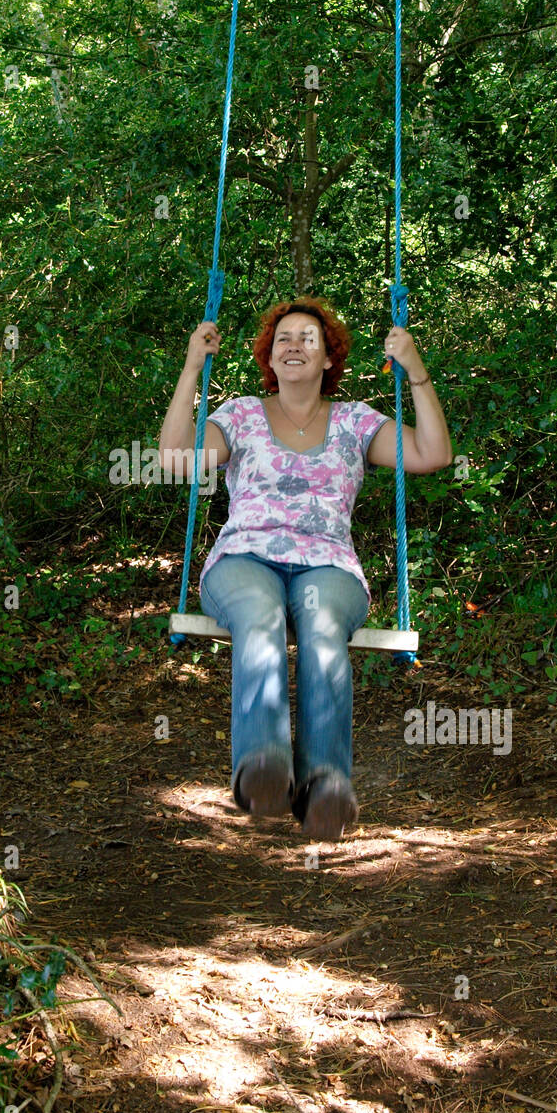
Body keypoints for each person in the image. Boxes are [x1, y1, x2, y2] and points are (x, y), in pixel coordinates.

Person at [159, 295, 452, 842]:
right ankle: (264, 764)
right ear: (269, 358)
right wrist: (191, 369)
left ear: (326, 359)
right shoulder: (241, 415)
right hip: (245, 559)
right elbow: (176, 458)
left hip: (328, 565)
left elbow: (432, 454)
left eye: (308, 339)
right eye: (284, 339)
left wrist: (416, 371)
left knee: (321, 632)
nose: (294, 346)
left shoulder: (354, 423)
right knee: (260, 612)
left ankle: (325, 784)